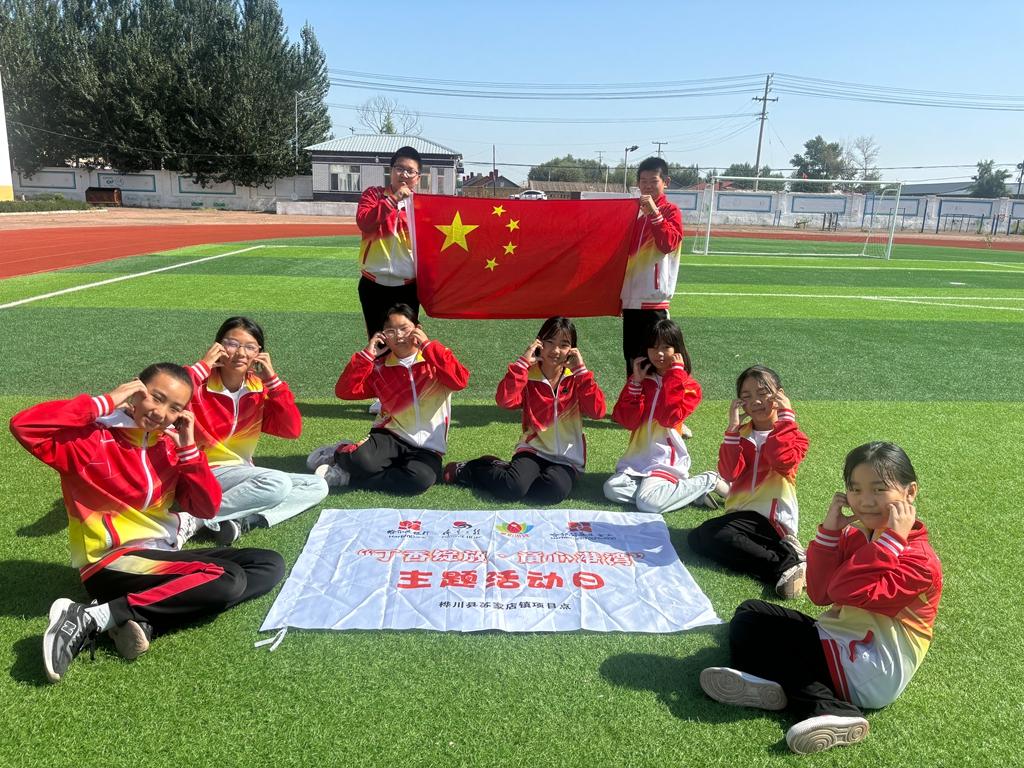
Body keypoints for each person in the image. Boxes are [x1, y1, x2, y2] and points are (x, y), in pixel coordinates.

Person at [9, 364, 284, 683]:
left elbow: (206, 507)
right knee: (227, 578)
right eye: (156, 397)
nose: (161, 413)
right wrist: (107, 400)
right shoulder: (92, 439)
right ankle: (89, 617)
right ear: (136, 390)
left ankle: (137, 620)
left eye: (175, 408)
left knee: (268, 564)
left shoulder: (168, 448)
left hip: (161, 556)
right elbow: (24, 425)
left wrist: (189, 450)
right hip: (110, 563)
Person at [698, 442, 942, 755]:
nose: (865, 501)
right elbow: (819, 593)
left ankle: (830, 708)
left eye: (879, 489)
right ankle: (778, 684)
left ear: (910, 492)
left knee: (772, 640)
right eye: (855, 489)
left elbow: (844, 591)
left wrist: (891, 541)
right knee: (749, 614)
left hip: (873, 668)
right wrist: (829, 533)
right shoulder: (860, 534)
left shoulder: (920, 561)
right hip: (840, 640)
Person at [180, 316, 328, 545]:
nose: (241, 353)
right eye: (232, 344)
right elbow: (165, 393)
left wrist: (273, 382)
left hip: (240, 474)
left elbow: (292, 429)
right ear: (217, 346)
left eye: (250, 347)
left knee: (317, 485)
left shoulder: (257, 388)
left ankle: (240, 521)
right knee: (277, 483)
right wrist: (202, 367)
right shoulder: (197, 385)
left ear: (259, 353)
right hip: (199, 472)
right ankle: (194, 518)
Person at [442, 317, 606, 505]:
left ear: (572, 350)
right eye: (550, 342)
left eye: (564, 345)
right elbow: (505, 401)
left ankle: (506, 469)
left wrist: (581, 372)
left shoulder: (577, 378)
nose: (555, 350)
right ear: (539, 343)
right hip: (533, 450)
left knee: (553, 492)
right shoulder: (527, 375)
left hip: (567, 459)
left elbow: (598, 412)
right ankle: (470, 469)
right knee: (513, 488)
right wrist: (522, 364)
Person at [310, 303, 469, 495]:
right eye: (391, 331)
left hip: (428, 448)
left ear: (418, 329)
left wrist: (428, 346)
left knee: (420, 480)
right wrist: (367, 355)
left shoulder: (436, 360)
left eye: (404, 328)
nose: (399, 336)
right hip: (391, 436)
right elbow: (345, 391)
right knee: (361, 460)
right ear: (383, 336)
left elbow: (459, 381)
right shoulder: (380, 367)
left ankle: (349, 477)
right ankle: (339, 452)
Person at [688, 365, 810, 598]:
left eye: (763, 393)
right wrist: (733, 430)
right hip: (739, 517)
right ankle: (786, 560)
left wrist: (786, 418)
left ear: (780, 395)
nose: (756, 401)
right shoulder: (741, 434)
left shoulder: (794, 436)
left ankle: (785, 564)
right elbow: (729, 473)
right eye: (747, 396)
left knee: (715, 534)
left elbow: (782, 460)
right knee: (697, 539)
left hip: (771, 521)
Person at [603, 319, 724, 514]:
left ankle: (710, 479)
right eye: (653, 347)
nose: (658, 354)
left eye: (666, 347)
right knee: (612, 489)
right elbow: (627, 421)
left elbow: (669, 418)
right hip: (637, 458)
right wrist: (635, 383)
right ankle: (686, 493)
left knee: (648, 504)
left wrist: (675, 375)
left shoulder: (690, 387)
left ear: (678, 349)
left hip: (665, 459)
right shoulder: (641, 379)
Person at [356, 145, 423, 414]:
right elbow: (365, 222)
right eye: (399, 169)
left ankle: (409, 390)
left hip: (407, 286)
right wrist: (393, 199)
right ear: (391, 171)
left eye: (410, 171)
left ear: (418, 177)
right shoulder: (373, 195)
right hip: (373, 283)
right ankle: (384, 395)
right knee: (380, 339)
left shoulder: (422, 204)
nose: (404, 174)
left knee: (407, 340)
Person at [620, 156, 684, 376]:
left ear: (666, 182)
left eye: (653, 181)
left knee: (657, 361)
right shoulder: (633, 212)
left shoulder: (670, 211)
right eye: (643, 181)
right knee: (633, 359)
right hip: (631, 300)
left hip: (654, 302)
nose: (647, 186)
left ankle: (658, 397)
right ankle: (633, 396)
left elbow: (668, 244)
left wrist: (655, 213)